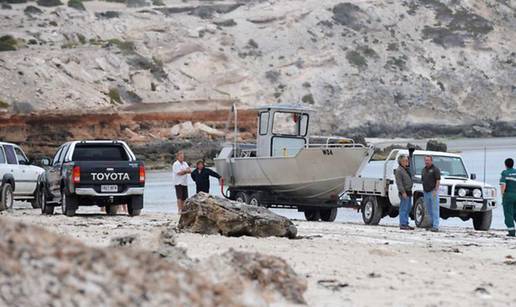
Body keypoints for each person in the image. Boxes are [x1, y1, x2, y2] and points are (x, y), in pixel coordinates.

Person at [422, 155, 441, 232]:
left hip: (433, 192)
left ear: (431, 161)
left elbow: (438, 180)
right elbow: (423, 180)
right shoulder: (423, 170)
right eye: (425, 160)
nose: (427, 161)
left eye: (428, 160)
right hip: (425, 192)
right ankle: (431, 224)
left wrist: (435, 190)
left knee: (435, 209)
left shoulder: (435, 169)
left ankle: (436, 226)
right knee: (429, 210)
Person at [395, 154, 414, 230]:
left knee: (408, 208)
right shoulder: (399, 170)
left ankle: (406, 223)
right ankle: (402, 224)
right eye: (405, 161)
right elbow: (399, 183)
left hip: (409, 191)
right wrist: (403, 192)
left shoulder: (406, 169)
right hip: (404, 192)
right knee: (404, 208)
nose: (407, 162)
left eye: (407, 160)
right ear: (401, 161)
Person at [500, 158, 516, 237]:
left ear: (505, 165)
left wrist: (502, 195)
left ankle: (511, 232)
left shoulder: (505, 173)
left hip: (508, 196)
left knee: (508, 214)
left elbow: (503, 185)